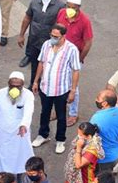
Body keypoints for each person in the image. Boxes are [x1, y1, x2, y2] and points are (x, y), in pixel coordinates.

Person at [31, 24, 81, 154]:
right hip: (45, 87)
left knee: (61, 116)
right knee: (44, 113)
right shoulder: (47, 44)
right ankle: (43, 135)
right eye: (51, 35)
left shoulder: (71, 49)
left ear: (63, 36)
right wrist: (36, 81)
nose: (53, 38)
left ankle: (60, 140)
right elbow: (41, 63)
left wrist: (73, 90)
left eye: (56, 36)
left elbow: (76, 70)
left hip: (61, 89)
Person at [0, 71, 34, 180]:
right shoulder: (0, 93)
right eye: (12, 86)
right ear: (8, 84)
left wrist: (23, 125)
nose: (15, 89)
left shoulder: (28, 95)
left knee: (20, 160)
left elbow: (28, 112)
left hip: (19, 134)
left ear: (23, 85)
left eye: (18, 86)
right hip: (0, 133)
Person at [56, 0, 94, 126]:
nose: (70, 9)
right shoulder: (61, 13)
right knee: (58, 83)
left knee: (73, 87)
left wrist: (80, 58)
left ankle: (73, 113)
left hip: (74, 57)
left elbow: (88, 42)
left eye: (74, 7)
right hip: (59, 53)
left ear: (79, 7)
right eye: (68, 6)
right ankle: (58, 109)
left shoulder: (85, 21)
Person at [17, 0, 65, 84]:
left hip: (50, 43)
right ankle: (33, 83)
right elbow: (27, 18)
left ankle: (45, 84)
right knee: (34, 64)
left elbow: (62, 27)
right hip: (34, 40)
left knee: (48, 65)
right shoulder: (34, 2)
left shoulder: (60, 6)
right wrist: (21, 35)